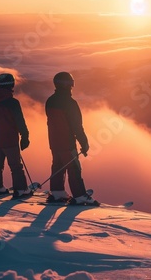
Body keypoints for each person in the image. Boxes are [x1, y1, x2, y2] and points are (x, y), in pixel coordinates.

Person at [45, 72, 97, 205]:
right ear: (68, 85)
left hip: (54, 142)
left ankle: (57, 192)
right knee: (74, 168)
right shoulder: (70, 103)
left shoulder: (50, 101)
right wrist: (84, 143)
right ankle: (79, 195)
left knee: (57, 166)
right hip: (67, 143)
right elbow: (77, 127)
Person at [0, 73, 32, 198]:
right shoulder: (13, 103)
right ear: (11, 84)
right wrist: (25, 137)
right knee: (15, 166)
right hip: (10, 140)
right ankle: (21, 190)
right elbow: (20, 122)